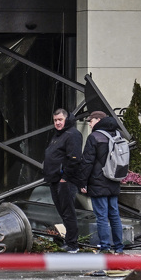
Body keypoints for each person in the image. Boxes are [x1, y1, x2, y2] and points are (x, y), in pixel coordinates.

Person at [77, 110, 124, 253]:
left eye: (91, 121)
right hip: (113, 180)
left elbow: (87, 162)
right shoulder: (117, 135)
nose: (90, 124)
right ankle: (119, 248)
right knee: (114, 215)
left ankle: (105, 248)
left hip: (98, 181)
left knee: (102, 216)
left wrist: (82, 182)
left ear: (98, 120)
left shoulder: (94, 137)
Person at [43, 108, 83, 253]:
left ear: (66, 119)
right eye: (55, 120)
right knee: (63, 212)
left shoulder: (72, 135)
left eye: (60, 120)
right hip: (55, 180)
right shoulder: (58, 135)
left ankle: (72, 244)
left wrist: (65, 178)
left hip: (65, 181)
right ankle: (69, 241)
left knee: (68, 212)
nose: (57, 123)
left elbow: (75, 159)